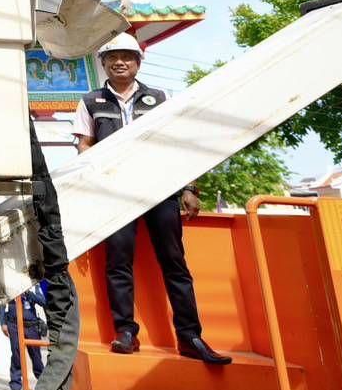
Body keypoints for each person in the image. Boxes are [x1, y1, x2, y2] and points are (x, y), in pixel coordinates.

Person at [74, 33, 231, 365]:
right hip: (114, 195)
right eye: (113, 57)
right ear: (103, 63)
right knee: (117, 264)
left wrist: (190, 189)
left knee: (175, 264)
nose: (120, 62)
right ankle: (125, 333)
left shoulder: (161, 98)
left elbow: (180, 145)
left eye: (127, 57)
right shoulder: (90, 102)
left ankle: (190, 337)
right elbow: (84, 146)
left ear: (138, 63)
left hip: (160, 191)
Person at [1, 284, 46, 390]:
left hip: (31, 325)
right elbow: (1, 303)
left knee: (36, 356)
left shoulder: (35, 284)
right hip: (14, 324)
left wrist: (29, 293)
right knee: (16, 354)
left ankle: (43, 384)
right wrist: (2, 323)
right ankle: (15, 388)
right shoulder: (10, 283)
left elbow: (43, 301)